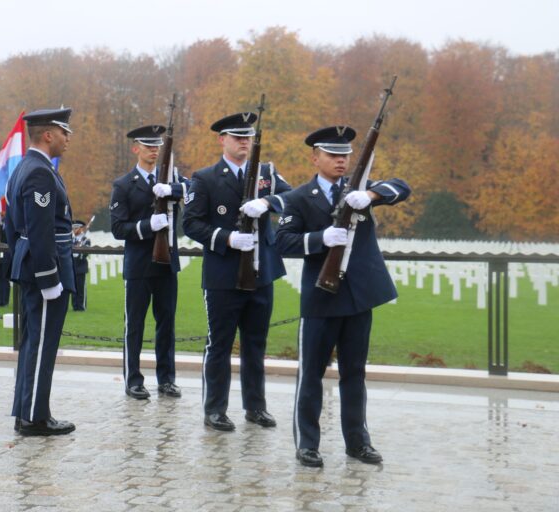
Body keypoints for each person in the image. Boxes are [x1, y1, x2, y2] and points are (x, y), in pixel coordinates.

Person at [276, 125, 411, 467]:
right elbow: (283, 241)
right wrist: (322, 238)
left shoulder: (360, 191)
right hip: (321, 299)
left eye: (346, 155)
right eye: (333, 155)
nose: (341, 161)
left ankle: (357, 441)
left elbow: (401, 186)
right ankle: (308, 443)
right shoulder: (298, 198)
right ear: (315, 157)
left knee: (355, 372)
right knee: (311, 374)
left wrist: (371, 196)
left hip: (356, 298)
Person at [183, 112, 291, 431]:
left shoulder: (266, 173)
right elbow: (190, 223)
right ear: (222, 140)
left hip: (261, 272)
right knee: (219, 344)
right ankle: (215, 409)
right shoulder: (204, 178)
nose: (244, 141)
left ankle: (255, 407)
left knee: (255, 344)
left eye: (248, 136)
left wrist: (268, 202)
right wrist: (226, 237)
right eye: (236, 136)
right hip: (223, 275)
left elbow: (293, 198)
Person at [5, 107, 76, 436]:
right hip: (46, 269)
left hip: (33, 265)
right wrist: (49, 278)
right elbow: (40, 229)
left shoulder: (25, 168)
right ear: (48, 135)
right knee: (41, 343)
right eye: (64, 132)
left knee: (33, 341)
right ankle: (35, 417)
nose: (67, 138)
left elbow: (12, 228)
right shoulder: (39, 172)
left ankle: (27, 411)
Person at [109, 124, 189, 400]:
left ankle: (166, 379)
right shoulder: (123, 184)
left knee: (166, 323)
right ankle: (133, 380)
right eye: (148, 145)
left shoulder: (171, 178)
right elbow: (118, 229)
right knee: (135, 325)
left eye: (157, 145)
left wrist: (173, 188)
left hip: (166, 264)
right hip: (140, 265)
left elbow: (192, 190)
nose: (153, 149)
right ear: (136, 149)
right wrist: (147, 225)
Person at [70, 221, 90, 311]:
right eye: (73, 228)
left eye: (76, 228)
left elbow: (86, 253)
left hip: (81, 266)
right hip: (72, 266)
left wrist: (80, 248)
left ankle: (81, 306)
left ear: (81, 228)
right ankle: (75, 305)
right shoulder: (71, 240)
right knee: (73, 288)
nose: (74, 230)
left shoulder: (86, 240)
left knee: (81, 288)